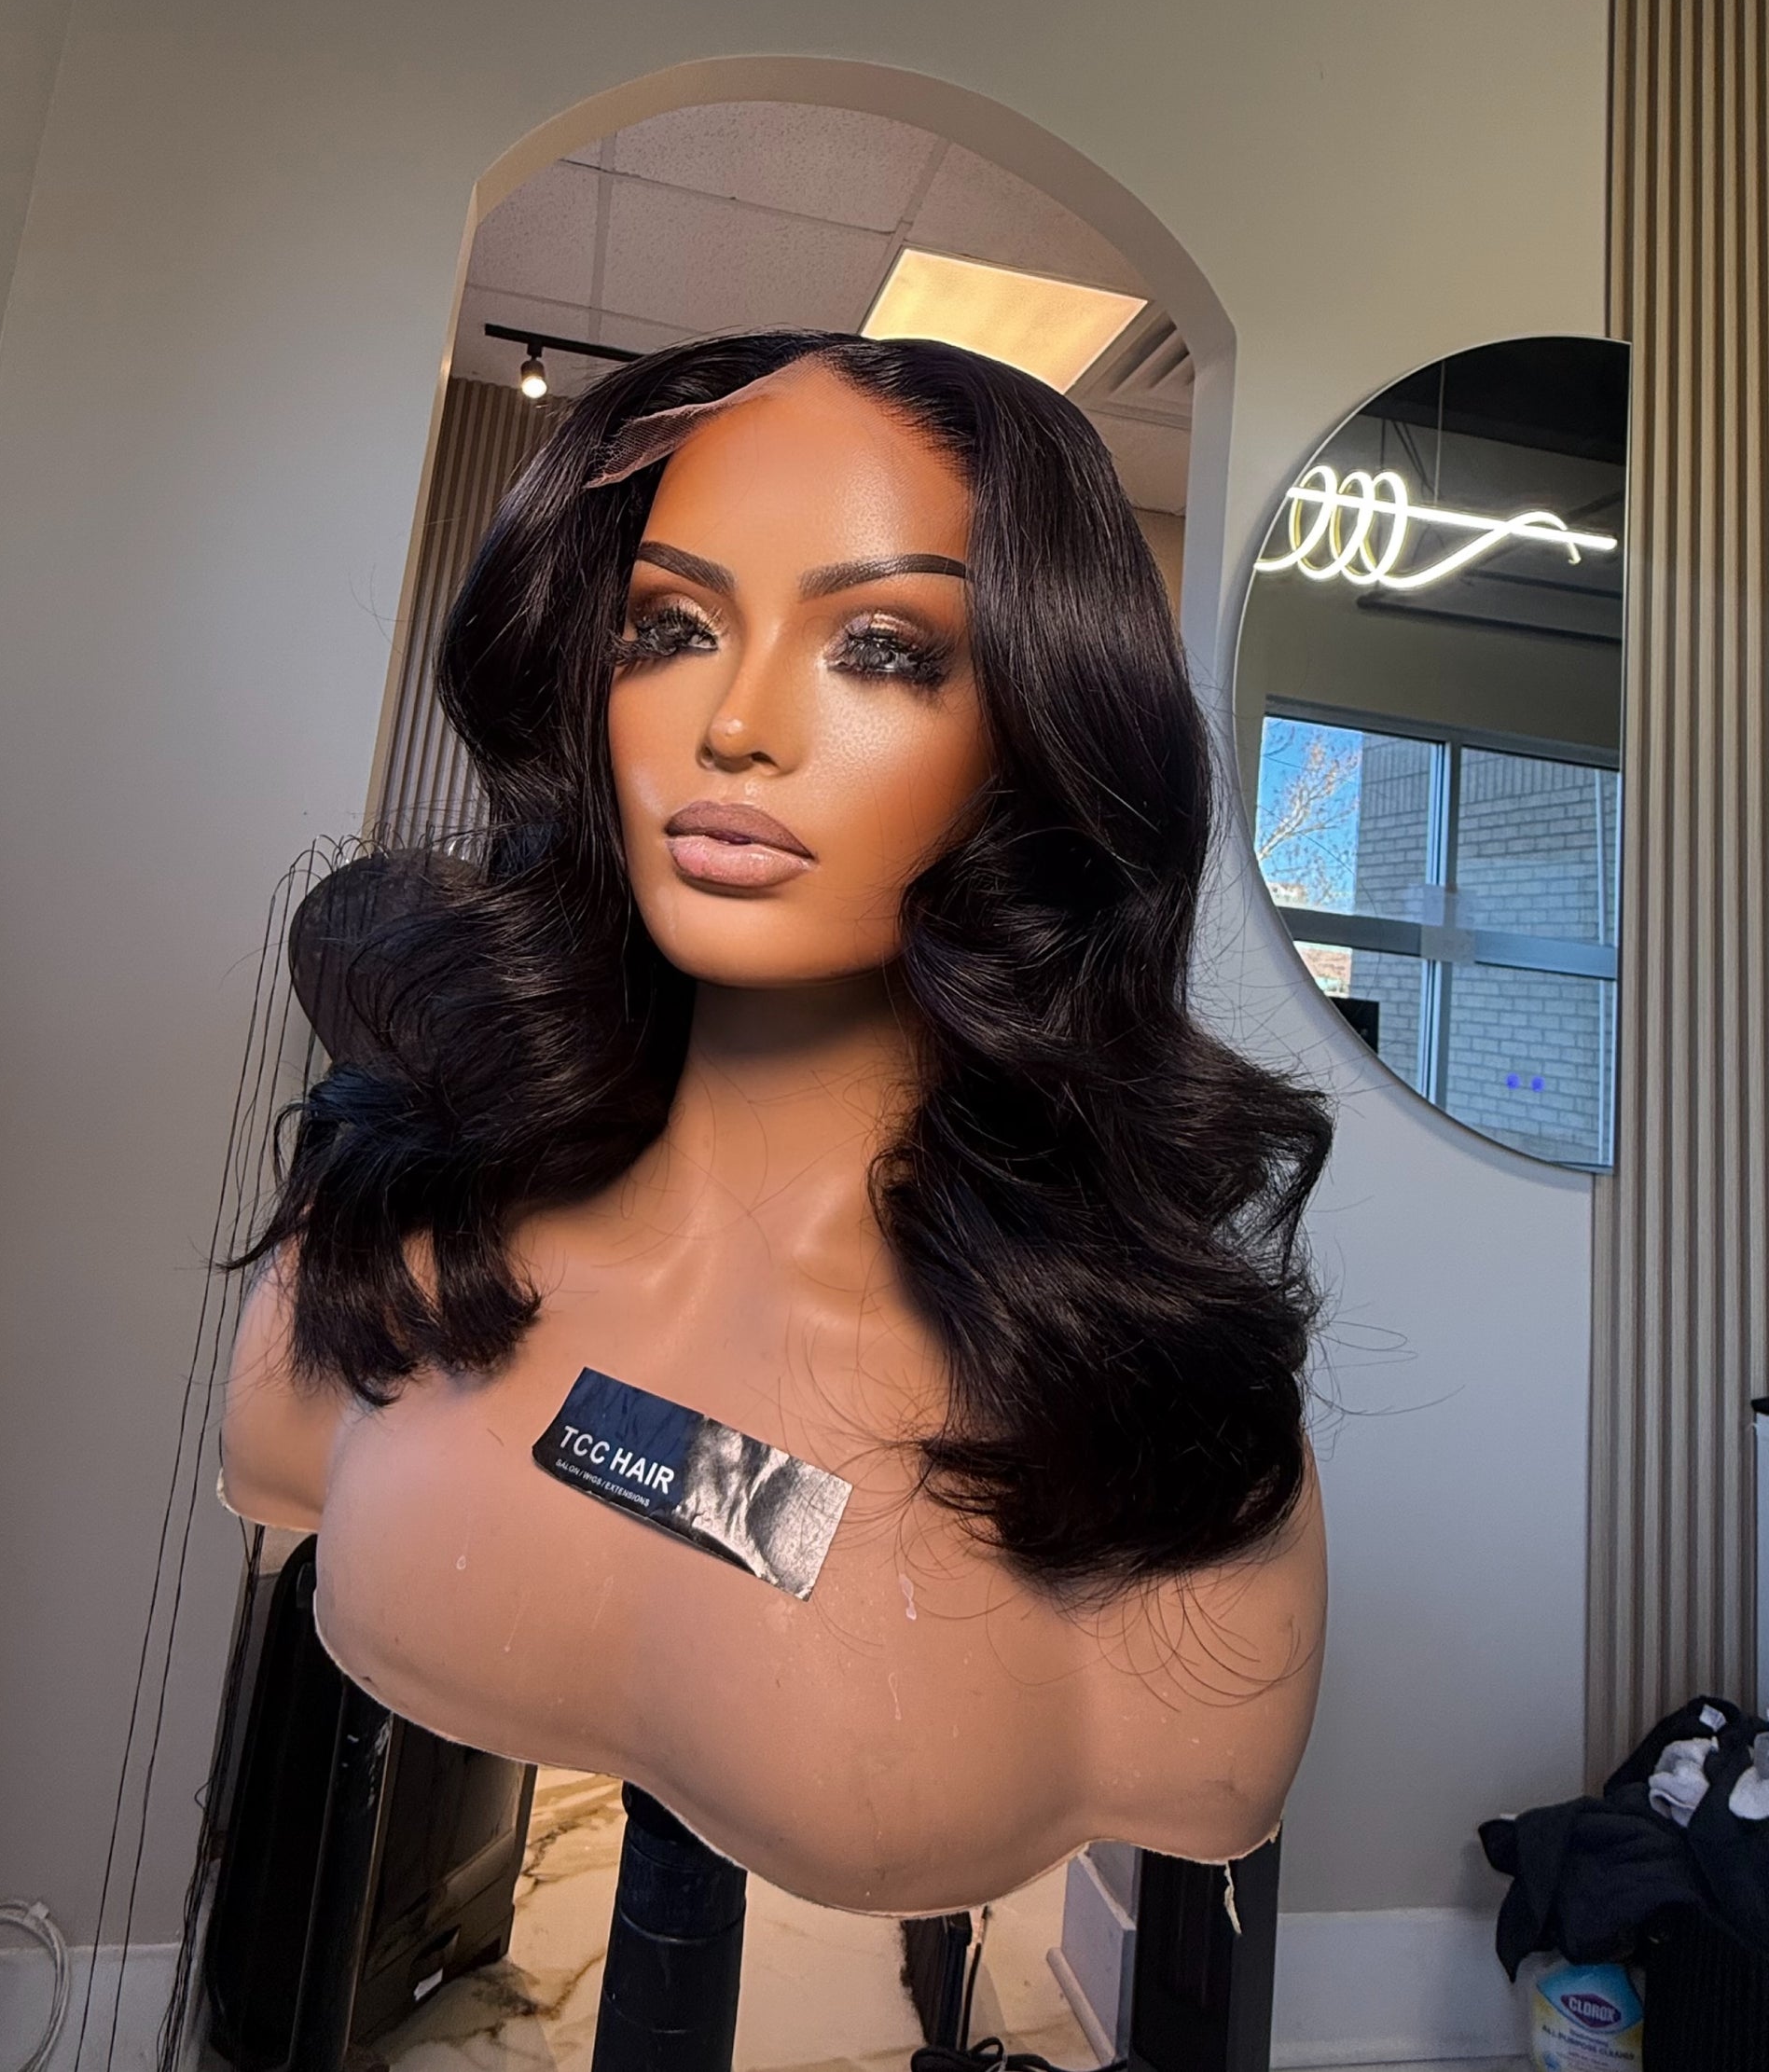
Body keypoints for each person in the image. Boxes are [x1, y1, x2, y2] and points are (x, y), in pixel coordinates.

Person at [221, 332, 1331, 1915]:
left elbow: (1212, 1765)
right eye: (671, 628)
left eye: (880, 647)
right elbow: (274, 1453)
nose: (735, 725)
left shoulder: (1145, 1411)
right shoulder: (396, 1219)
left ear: (1037, 733)